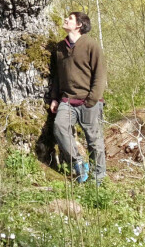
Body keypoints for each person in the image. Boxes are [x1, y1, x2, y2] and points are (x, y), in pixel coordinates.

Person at [49, 11, 107, 183]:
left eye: (70, 18)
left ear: (79, 25)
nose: (65, 19)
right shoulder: (60, 48)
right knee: (59, 127)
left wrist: (92, 100)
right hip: (67, 100)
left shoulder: (91, 45)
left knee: (94, 140)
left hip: (89, 101)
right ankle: (78, 164)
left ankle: (98, 178)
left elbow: (100, 74)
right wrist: (55, 98)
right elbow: (57, 77)